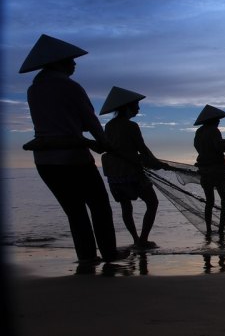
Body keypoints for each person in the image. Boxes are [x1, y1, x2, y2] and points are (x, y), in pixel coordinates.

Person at [19, 34, 126, 264]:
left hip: (45, 161)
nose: (74, 64)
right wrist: (106, 145)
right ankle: (109, 252)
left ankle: (87, 256)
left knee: (75, 211)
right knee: (99, 206)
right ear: (58, 62)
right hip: (73, 158)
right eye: (70, 60)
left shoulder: (33, 89)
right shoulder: (70, 86)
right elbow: (90, 122)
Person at [99, 86, 163, 250]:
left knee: (126, 206)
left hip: (114, 173)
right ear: (127, 107)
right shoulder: (131, 126)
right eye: (136, 106)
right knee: (153, 202)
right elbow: (141, 148)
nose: (138, 109)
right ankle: (143, 239)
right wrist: (156, 162)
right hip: (131, 171)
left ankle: (136, 239)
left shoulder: (109, 126)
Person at [193, 104, 225, 238]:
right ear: (213, 119)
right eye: (217, 119)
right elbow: (218, 147)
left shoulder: (199, 132)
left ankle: (209, 229)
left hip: (204, 170)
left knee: (209, 201)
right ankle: (221, 230)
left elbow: (198, 148)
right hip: (217, 170)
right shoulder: (214, 131)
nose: (219, 121)